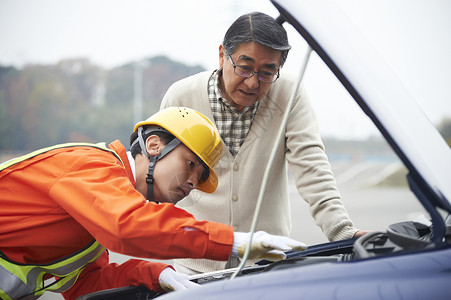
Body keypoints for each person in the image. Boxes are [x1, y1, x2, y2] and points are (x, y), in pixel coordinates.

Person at [0, 106, 306, 300]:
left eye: (200, 178)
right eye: (189, 164)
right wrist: (232, 242)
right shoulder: (91, 165)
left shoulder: (101, 211)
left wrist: (156, 275)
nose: (192, 182)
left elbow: (84, 284)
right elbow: (127, 226)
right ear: (154, 145)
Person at [160, 12, 368, 274]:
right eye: (244, 67)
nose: (252, 82)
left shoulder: (289, 93)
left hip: (267, 262)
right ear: (223, 55)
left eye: (267, 72)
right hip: (195, 261)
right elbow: (161, 178)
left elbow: (311, 164)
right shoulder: (182, 96)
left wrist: (343, 232)